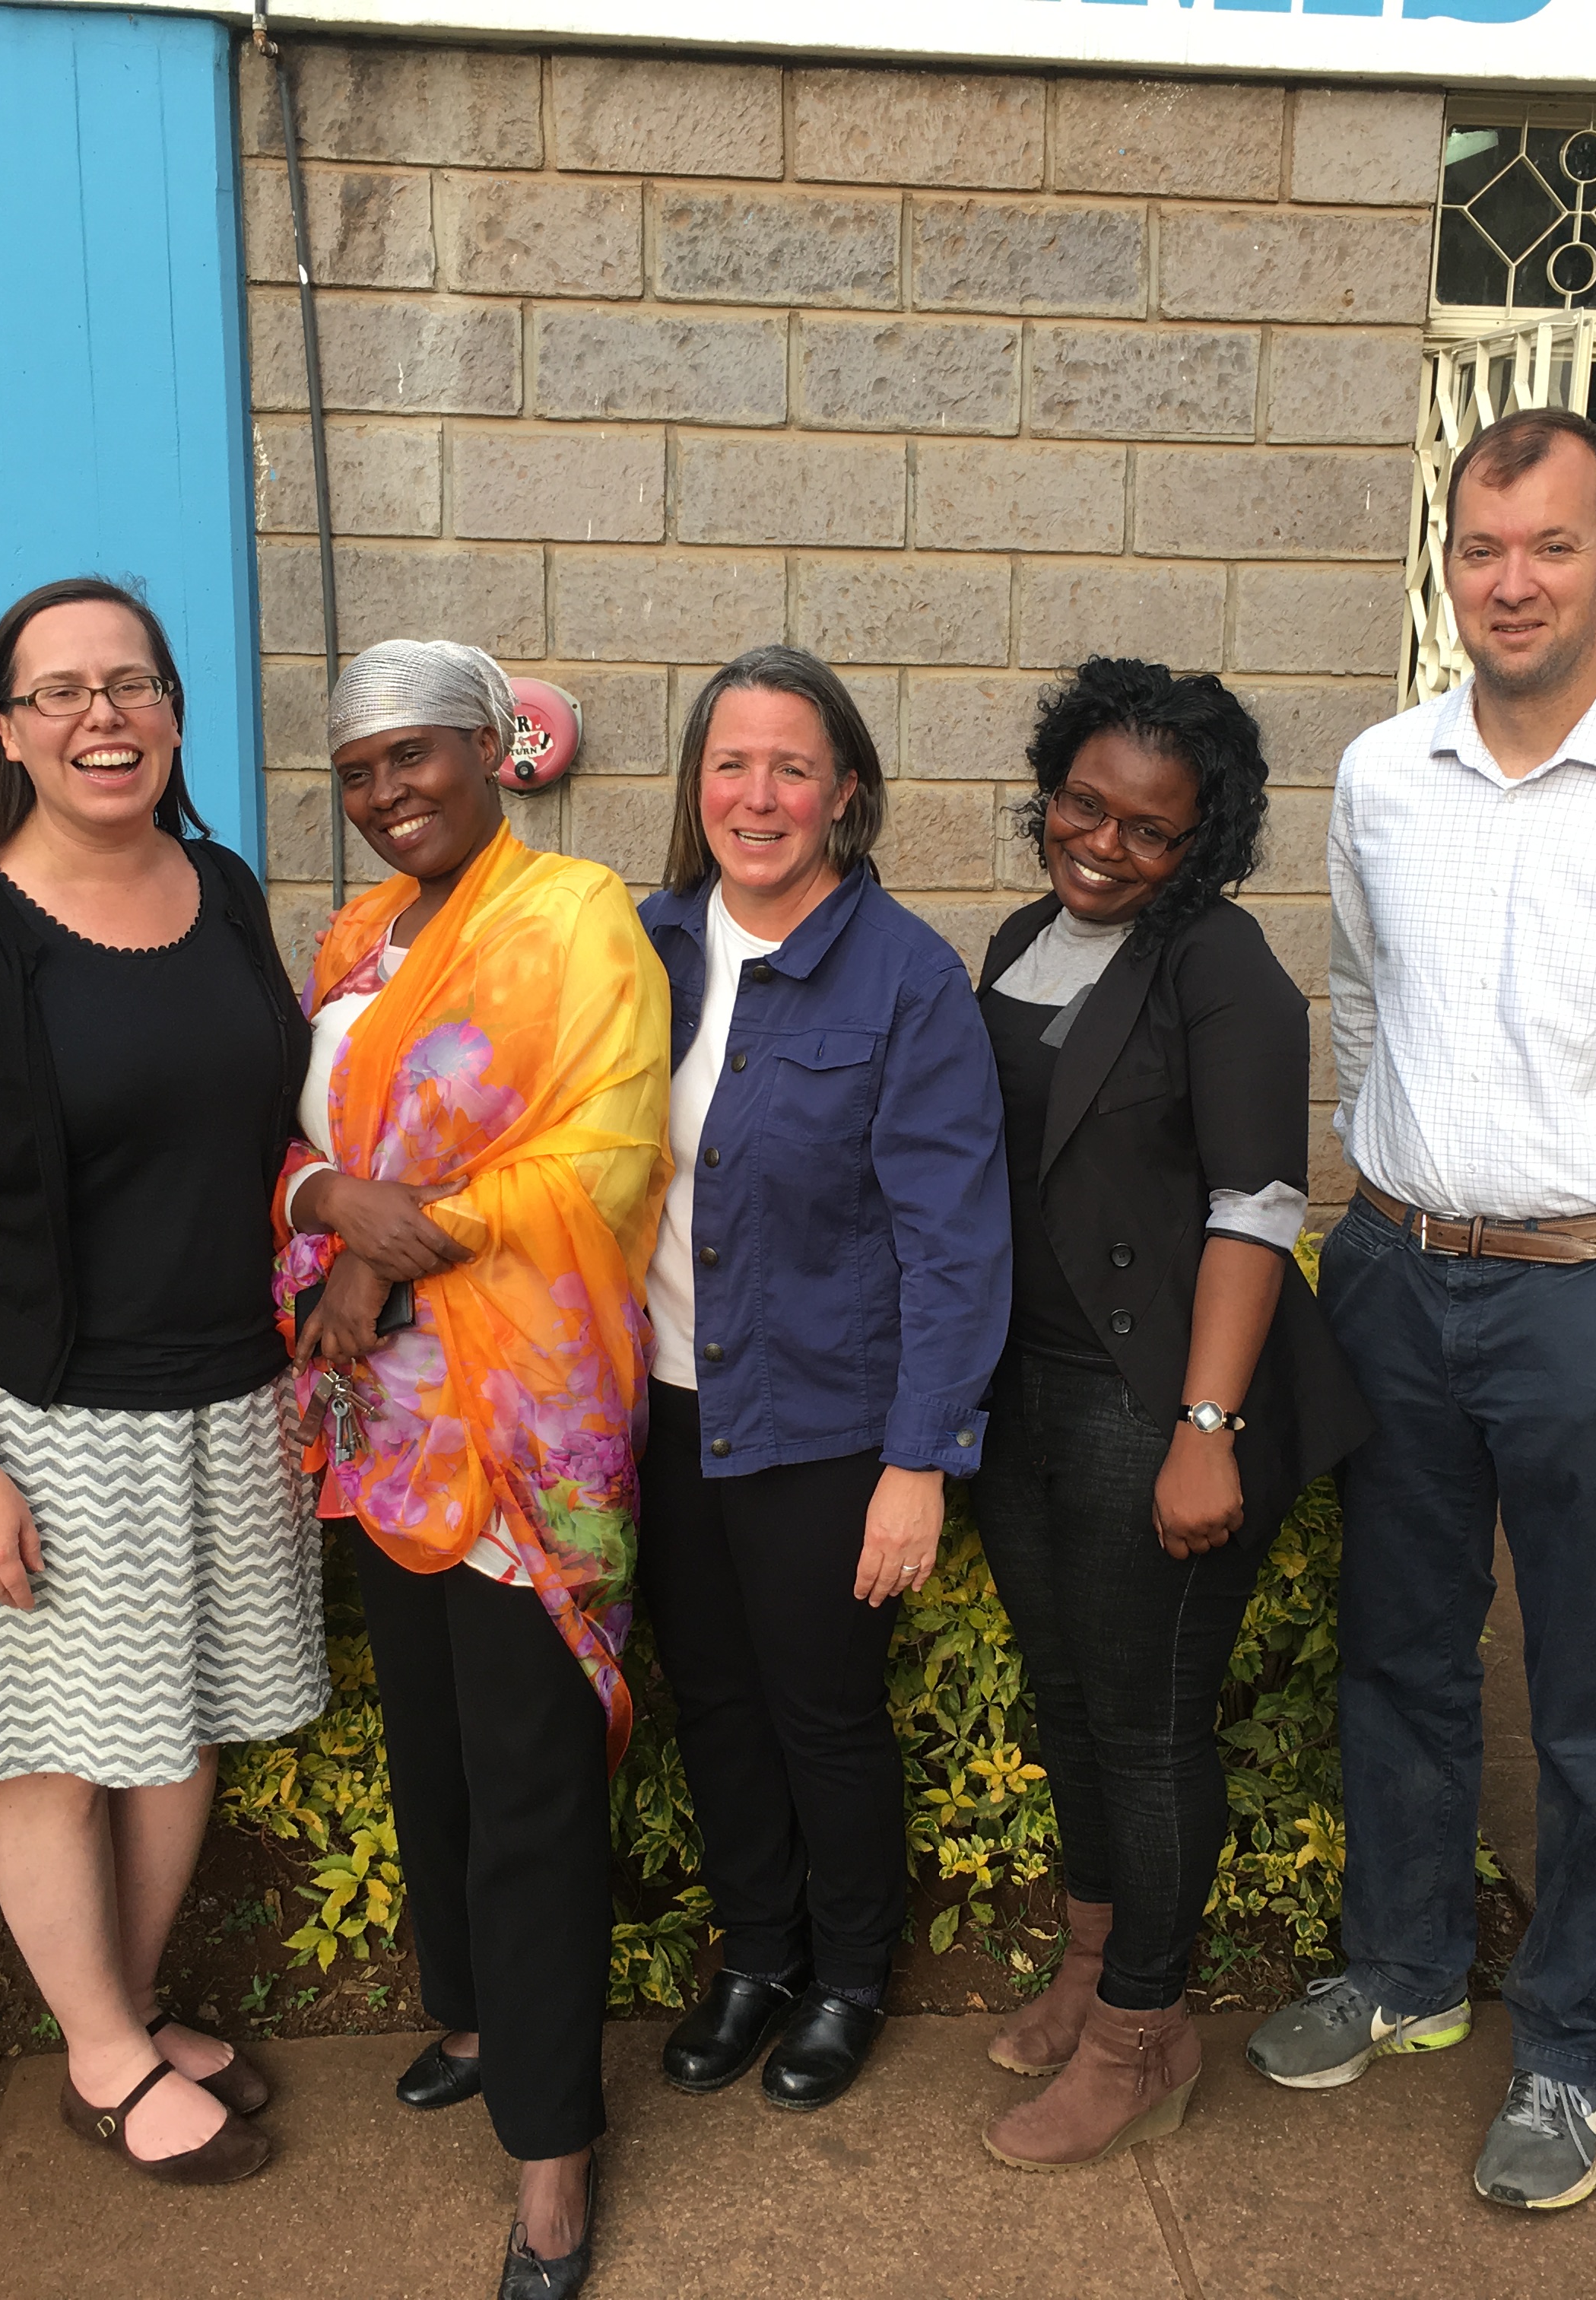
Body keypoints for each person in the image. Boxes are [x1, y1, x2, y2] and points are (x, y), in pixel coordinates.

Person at [1250, 405, 1596, 2213]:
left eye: (1551, 548)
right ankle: (1407, 1972)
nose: (1512, 582)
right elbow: (1363, 999)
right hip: (1400, 1275)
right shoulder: (1384, 773)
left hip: (1592, 1301)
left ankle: (1567, 2044)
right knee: (1400, 1654)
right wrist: (1376, 1213)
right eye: (1483, 550)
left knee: (1587, 1696)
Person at [0, 577, 319, 2189]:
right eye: (58, 692)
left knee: (181, 1732)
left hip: (232, 1398)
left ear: (176, 712)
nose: (100, 716)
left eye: (130, 684)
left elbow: (268, 1133)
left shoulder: (228, 890)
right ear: (7, 732)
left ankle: (118, 2009)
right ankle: (106, 2059)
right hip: (50, 1418)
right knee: (58, 1751)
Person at [274, 639, 669, 2300]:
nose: (385, 794)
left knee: (526, 1790)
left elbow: (611, 1146)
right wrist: (321, 1213)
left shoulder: (575, 915)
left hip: (522, 1429)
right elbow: (288, 1140)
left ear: (494, 751)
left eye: (412, 759)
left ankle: (555, 2160)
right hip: (380, 1436)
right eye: (358, 772)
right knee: (431, 1760)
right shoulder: (356, 939)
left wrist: (396, 1245)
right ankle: (481, 2023)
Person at [966, 659, 1372, 2171]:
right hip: (1031, 1387)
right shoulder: (1024, 938)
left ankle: (1148, 2028)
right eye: (1086, 804)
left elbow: (1256, 1206)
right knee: (1070, 1701)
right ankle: (1091, 1961)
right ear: (1051, 792)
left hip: (1161, 1393)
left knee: (1145, 1728)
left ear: (1200, 841)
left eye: (1150, 827)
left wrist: (1207, 1425)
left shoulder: (1225, 970)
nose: (1106, 843)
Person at [635, 645, 1009, 2114]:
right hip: (661, 1405)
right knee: (714, 1700)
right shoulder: (645, 945)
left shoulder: (907, 977)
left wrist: (917, 1464)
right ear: (697, 786)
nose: (759, 794)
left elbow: (956, 1242)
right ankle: (756, 1955)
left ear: (846, 791)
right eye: (732, 763)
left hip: (822, 1421)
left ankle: (850, 1974)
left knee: (821, 1711)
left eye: (793, 766)